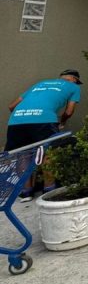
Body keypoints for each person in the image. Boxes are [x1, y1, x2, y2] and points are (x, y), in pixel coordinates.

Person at [5, 69, 82, 201]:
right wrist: (61, 122)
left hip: (16, 121)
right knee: (49, 153)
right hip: (43, 120)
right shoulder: (73, 87)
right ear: (75, 79)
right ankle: (49, 190)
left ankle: (26, 192)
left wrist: (24, 116)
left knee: (23, 154)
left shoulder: (40, 84)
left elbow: (11, 106)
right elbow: (69, 111)